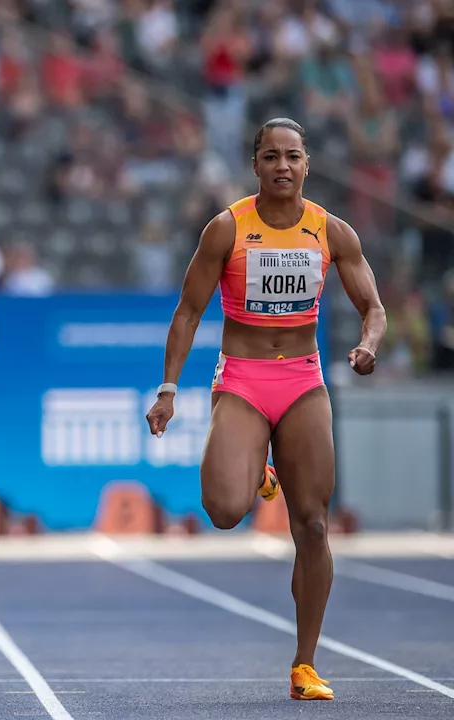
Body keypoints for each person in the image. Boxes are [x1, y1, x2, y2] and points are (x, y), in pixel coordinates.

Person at [147, 117, 386, 701]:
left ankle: (305, 665)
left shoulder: (332, 233)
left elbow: (373, 307)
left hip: (302, 381)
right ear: (255, 165)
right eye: (272, 156)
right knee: (226, 509)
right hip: (244, 379)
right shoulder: (228, 229)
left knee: (312, 522)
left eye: (294, 156)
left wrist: (367, 345)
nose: (283, 165)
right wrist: (170, 389)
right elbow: (187, 312)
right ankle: (256, 465)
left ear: (307, 165)